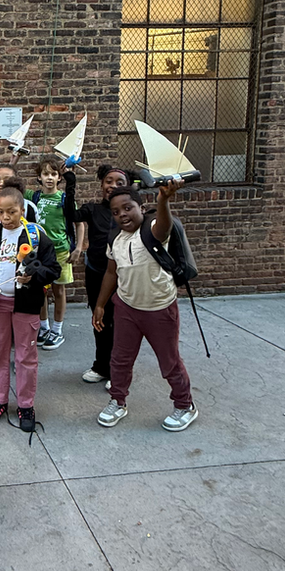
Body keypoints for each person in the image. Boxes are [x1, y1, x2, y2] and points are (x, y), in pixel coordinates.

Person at [92, 180, 197, 431]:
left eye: (127, 208)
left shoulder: (152, 229)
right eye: (116, 212)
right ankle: (118, 401)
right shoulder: (116, 238)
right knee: (119, 360)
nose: (122, 215)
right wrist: (100, 305)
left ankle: (184, 405)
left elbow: (163, 225)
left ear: (141, 207)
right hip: (127, 307)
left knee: (169, 361)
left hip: (159, 308)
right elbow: (110, 272)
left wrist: (163, 200)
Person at [0, 178, 59, 438]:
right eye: (1, 212)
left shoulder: (36, 235)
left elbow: (53, 269)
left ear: (22, 209)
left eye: (12, 212)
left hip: (27, 306)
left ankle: (26, 405)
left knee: (26, 357)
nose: (6, 217)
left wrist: (34, 276)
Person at [73, 164, 135, 385]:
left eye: (120, 182)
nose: (113, 186)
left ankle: (118, 371)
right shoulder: (93, 210)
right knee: (100, 320)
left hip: (125, 276)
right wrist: (69, 180)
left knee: (121, 323)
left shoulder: (132, 213)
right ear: (101, 184)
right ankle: (101, 365)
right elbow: (70, 214)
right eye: (109, 181)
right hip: (97, 273)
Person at [28, 155, 82, 349]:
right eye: (45, 174)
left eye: (54, 174)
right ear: (39, 177)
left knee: (59, 290)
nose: (49, 177)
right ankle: (44, 327)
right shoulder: (33, 197)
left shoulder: (65, 198)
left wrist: (78, 247)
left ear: (60, 177)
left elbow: (79, 223)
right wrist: (13, 159)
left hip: (60, 251)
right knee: (41, 290)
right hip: (39, 252)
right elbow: (10, 184)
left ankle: (57, 330)